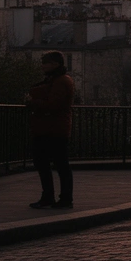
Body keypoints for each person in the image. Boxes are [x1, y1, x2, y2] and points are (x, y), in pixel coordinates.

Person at [27, 50, 75, 209]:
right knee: (58, 165)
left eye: (45, 63)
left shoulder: (60, 81)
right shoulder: (59, 80)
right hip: (52, 128)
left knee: (54, 165)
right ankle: (60, 197)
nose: (42, 66)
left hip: (53, 129)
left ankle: (57, 197)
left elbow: (53, 105)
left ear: (55, 64)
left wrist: (33, 102)